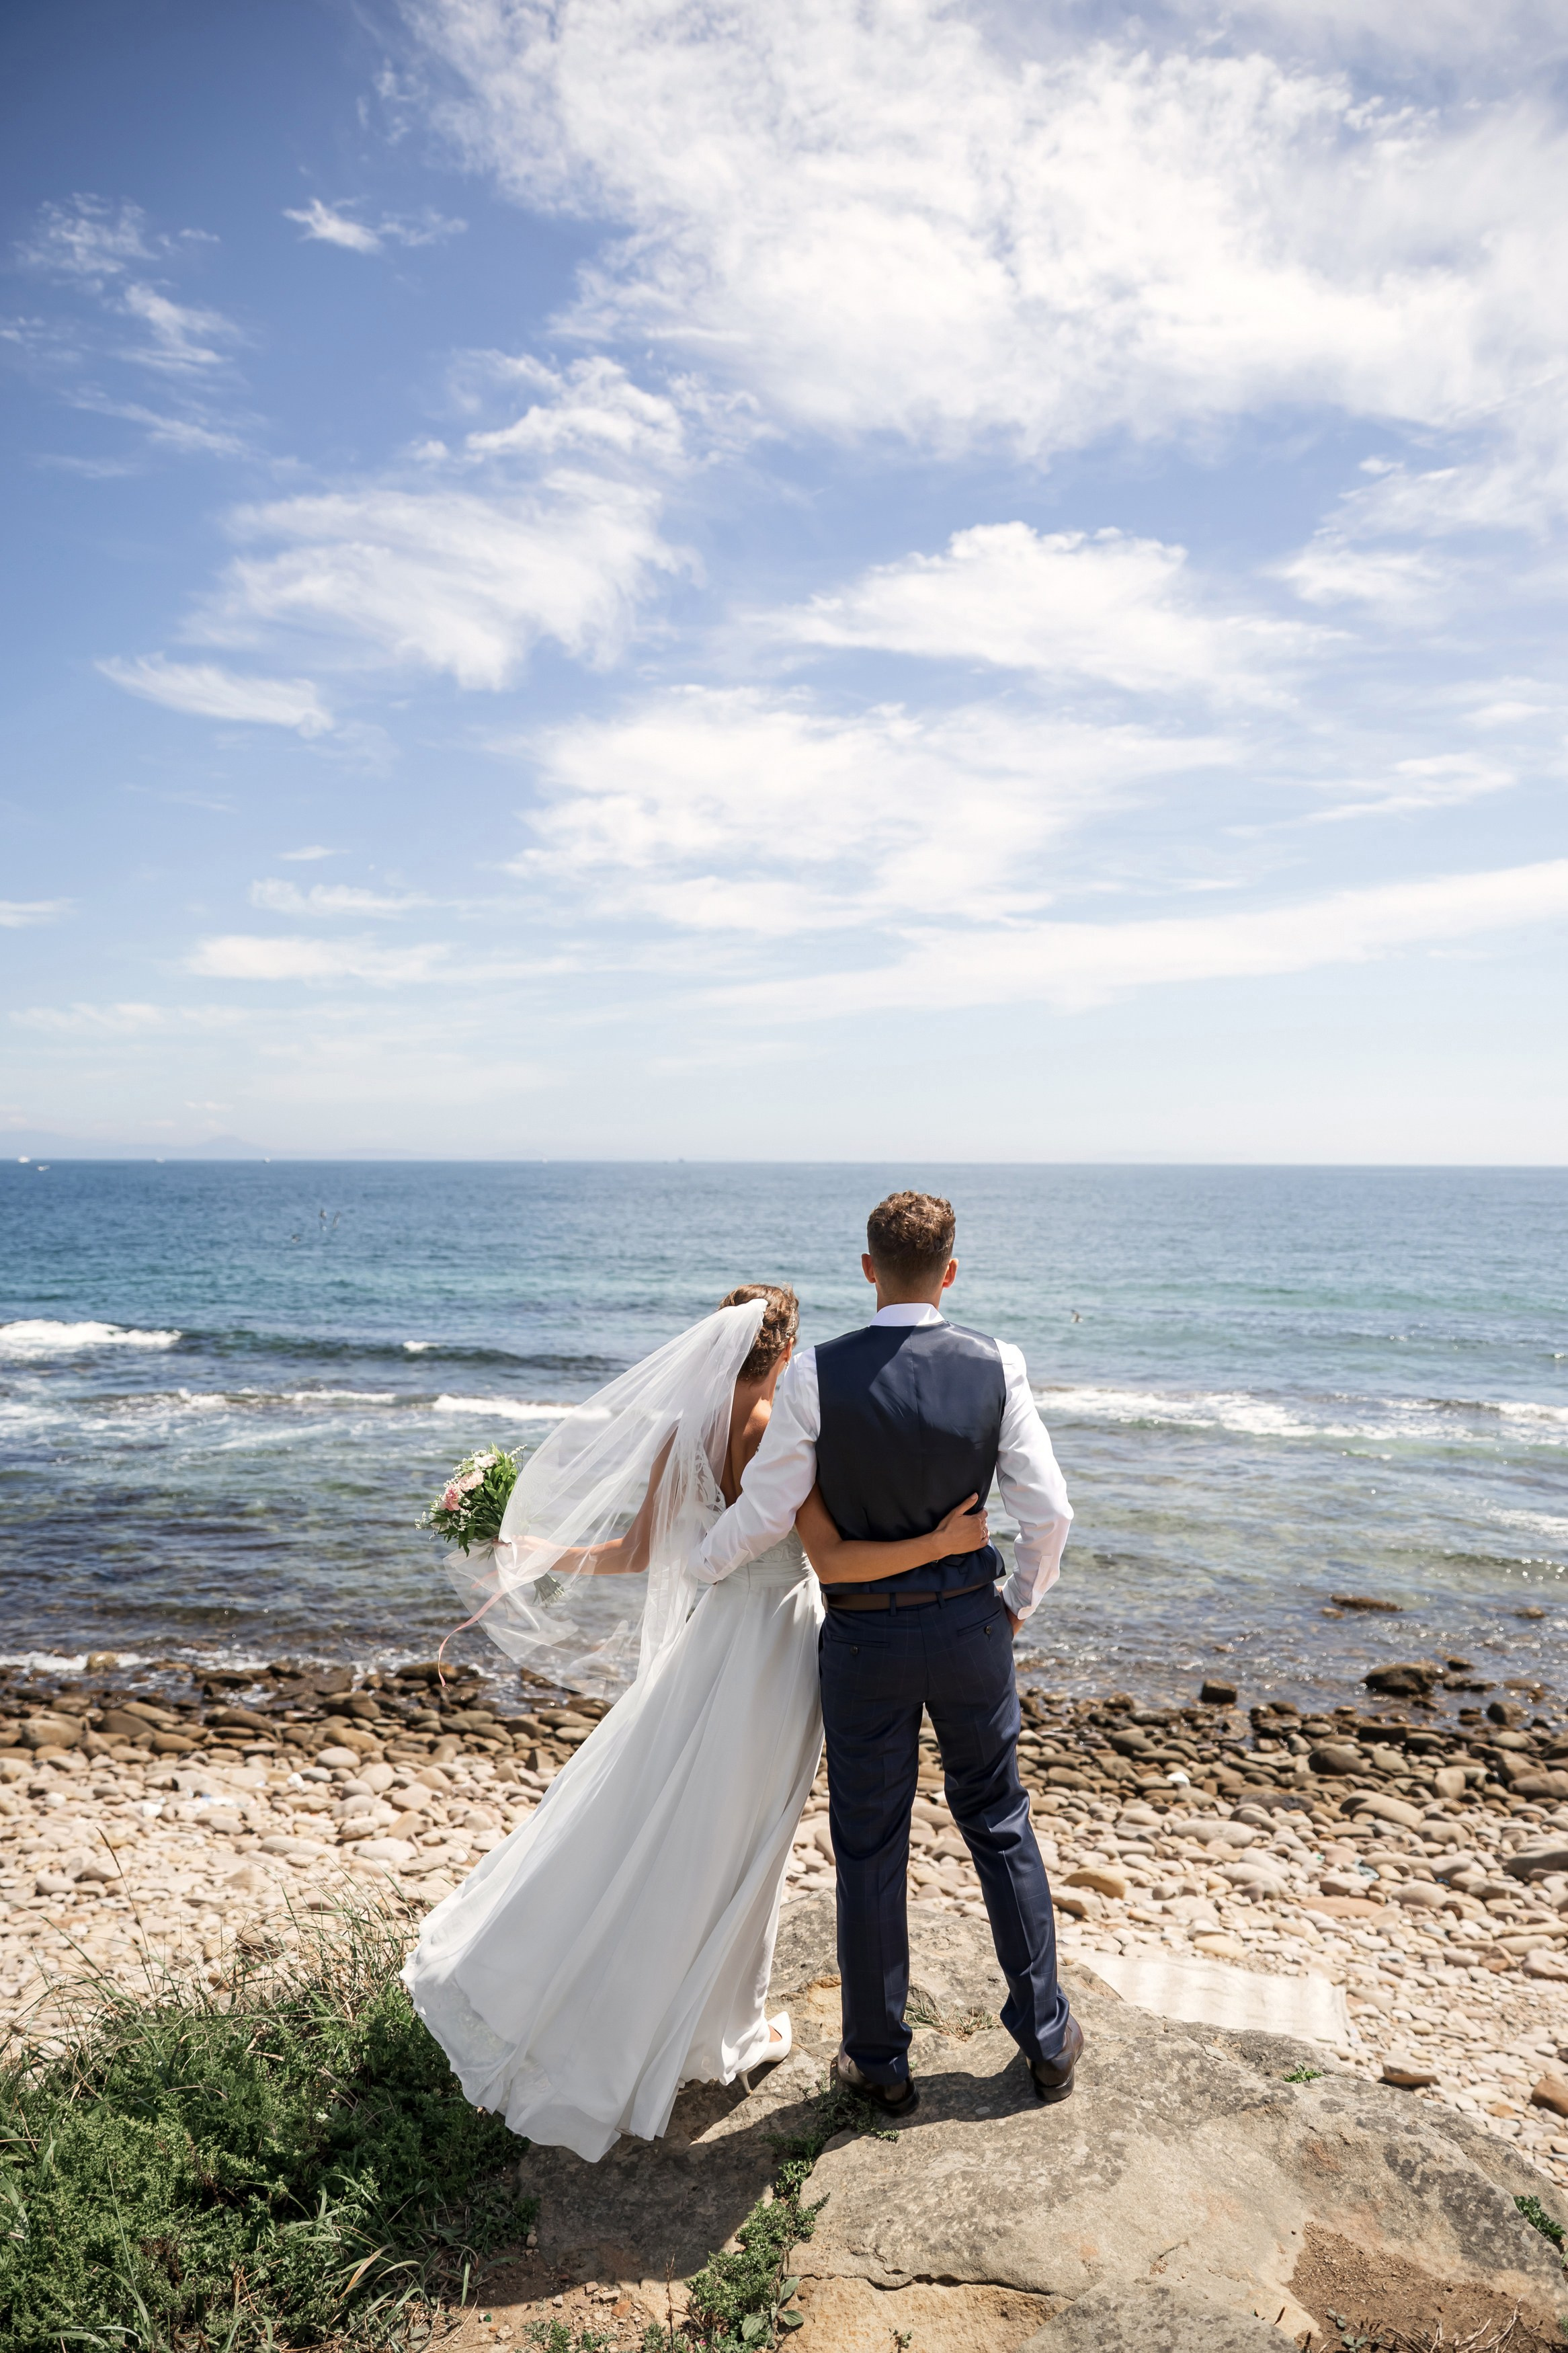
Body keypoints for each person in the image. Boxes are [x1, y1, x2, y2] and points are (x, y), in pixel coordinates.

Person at [402, 1281, 990, 2161]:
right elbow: (833, 1555)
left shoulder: (681, 1434)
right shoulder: (789, 1429)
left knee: (673, 1814)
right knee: (750, 1837)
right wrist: (939, 1547)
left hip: (712, 1637)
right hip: (781, 1645)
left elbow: (636, 1552)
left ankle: (650, 1997)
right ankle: (726, 2028)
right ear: (784, 1352)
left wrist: (533, 1553)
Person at [696, 1192, 1079, 2114]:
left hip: (865, 1637)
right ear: (950, 1272)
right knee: (998, 1819)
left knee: (868, 1842)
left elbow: (769, 1509)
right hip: (969, 1630)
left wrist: (695, 1565)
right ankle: (1046, 2039)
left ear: (868, 1268)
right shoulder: (998, 1363)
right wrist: (1016, 1606)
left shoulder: (815, 1374)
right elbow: (1049, 1512)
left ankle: (878, 2061)